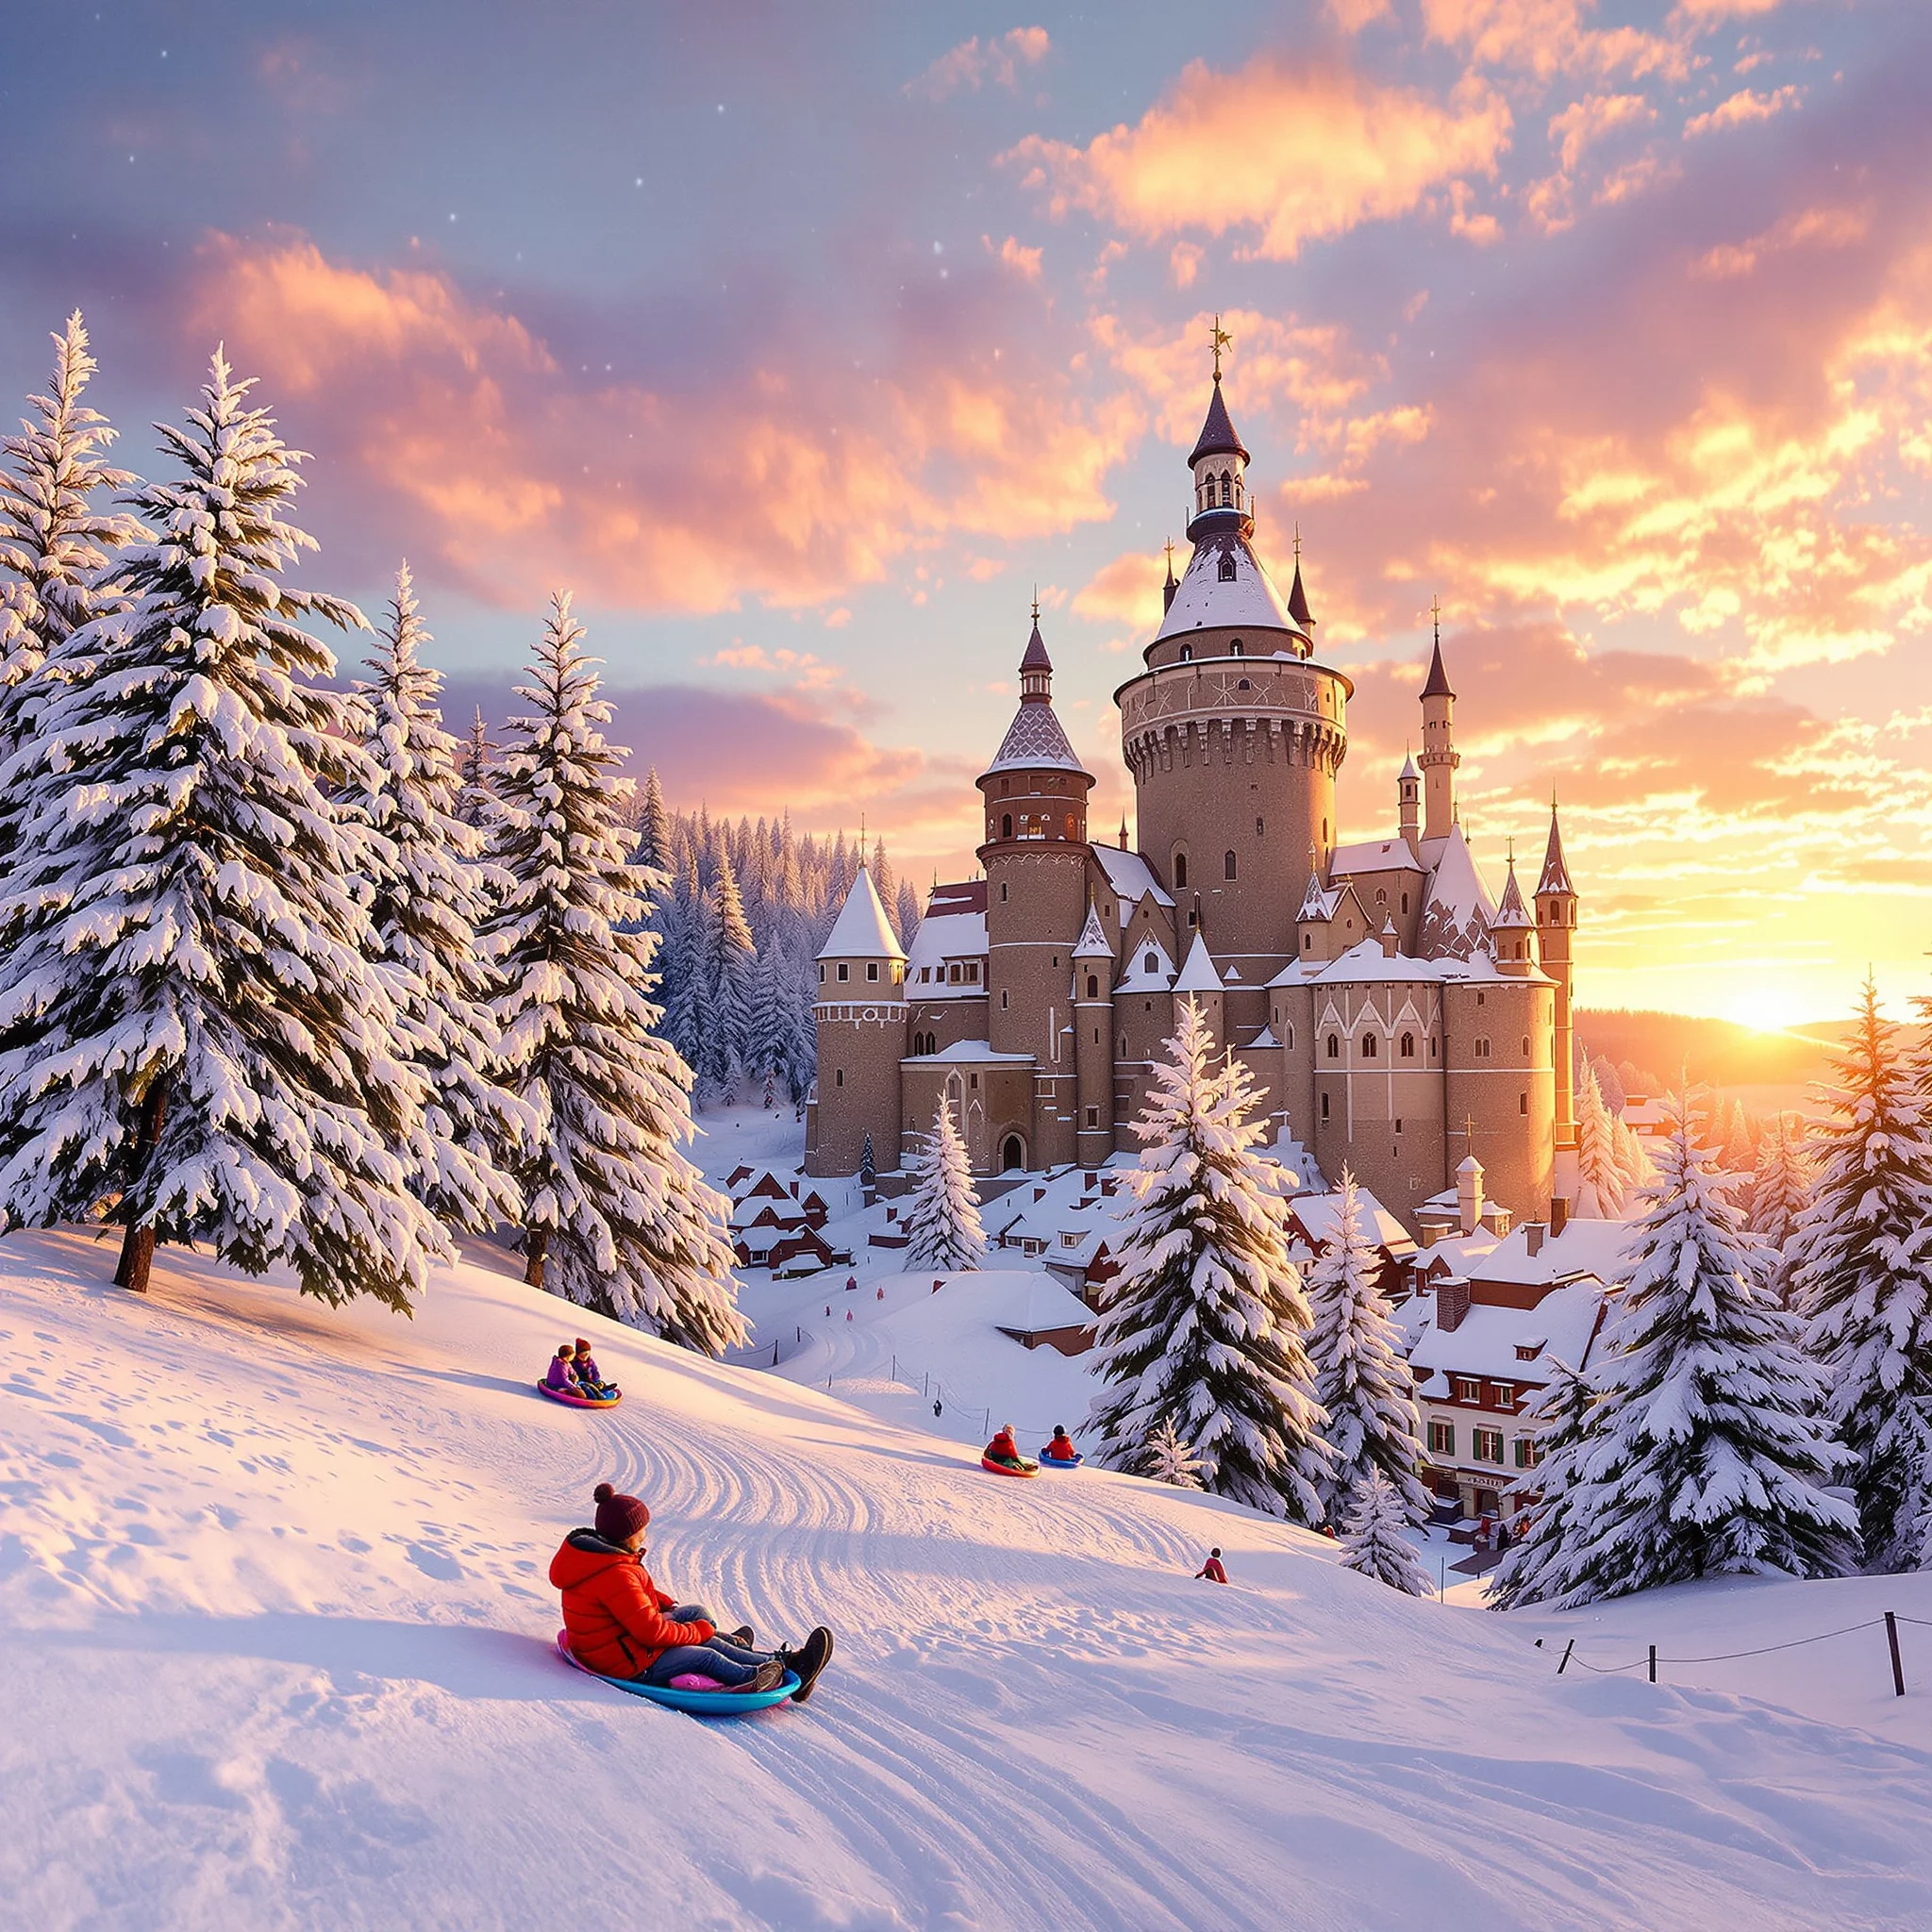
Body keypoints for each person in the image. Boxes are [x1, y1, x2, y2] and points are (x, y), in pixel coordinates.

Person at [551, 1485, 834, 1702]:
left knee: (697, 1617)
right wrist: (697, 1632)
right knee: (705, 1654)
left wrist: (662, 1602)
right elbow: (650, 1632)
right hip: (628, 1662)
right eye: (641, 1529)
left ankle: (742, 1648)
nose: (646, 1534)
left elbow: (623, 1598)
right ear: (626, 1535)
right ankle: (764, 1676)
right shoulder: (616, 1575)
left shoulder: (598, 1557)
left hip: (615, 1643)